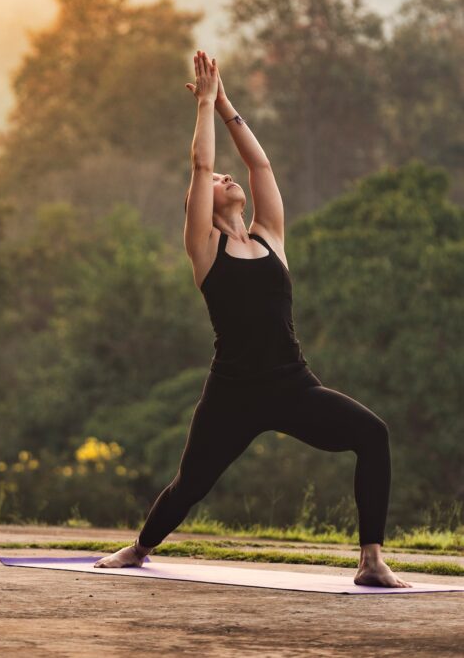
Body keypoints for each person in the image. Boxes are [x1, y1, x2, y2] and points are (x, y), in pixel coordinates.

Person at [94, 49, 410, 587]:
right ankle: (140, 547)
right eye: (218, 181)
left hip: (292, 385)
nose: (225, 178)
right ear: (203, 202)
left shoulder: (270, 236)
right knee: (190, 484)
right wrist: (203, 107)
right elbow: (198, 164)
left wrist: (225, 104)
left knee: (372, 435)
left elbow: (259, 165)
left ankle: (371, 561)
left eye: (225, 176)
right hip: (233, 393)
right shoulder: (204, 248)